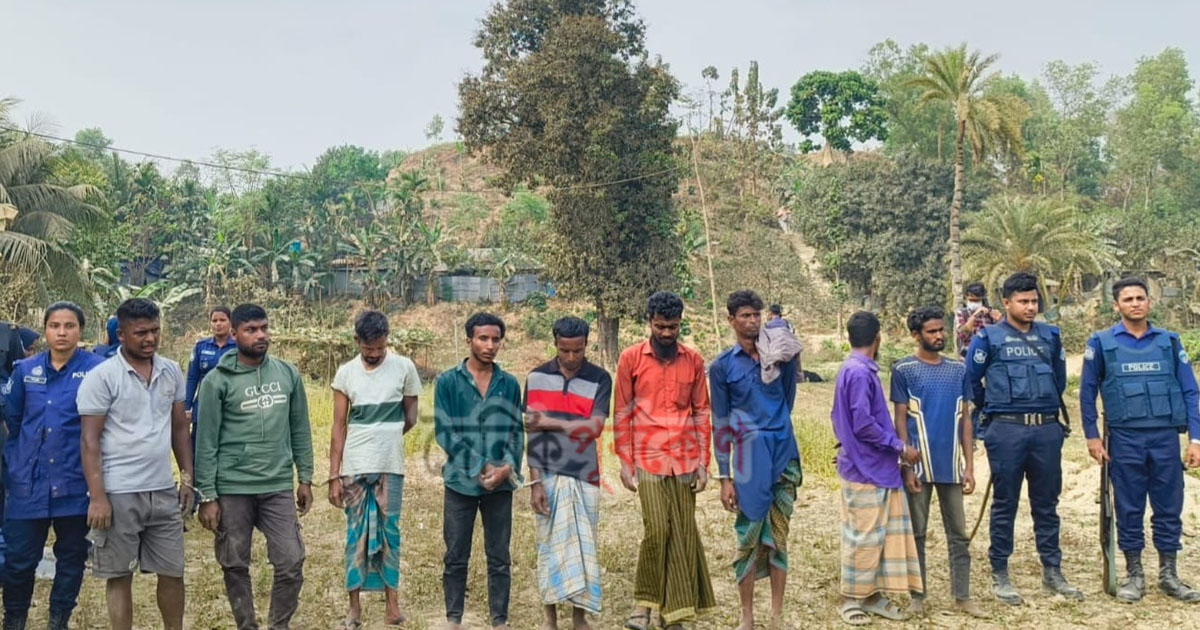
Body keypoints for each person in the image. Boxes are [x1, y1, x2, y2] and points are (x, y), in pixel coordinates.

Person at [1080, 276, 1200, 603]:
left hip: (1165, 438)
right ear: (1116, 305)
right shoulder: (1101, 343)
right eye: (1128, 299)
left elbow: (1191, 391)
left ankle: (1169, 575)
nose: (1135, 303)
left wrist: (1195, 440)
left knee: (1169, 507)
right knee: (1129, 507)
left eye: (1140, 298)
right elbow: (1087, 392)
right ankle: (1134, 575)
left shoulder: (1169, 342)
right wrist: (1092, 436)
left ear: (1149, 301)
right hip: (1124, 439)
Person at [76, 298, 193, 630]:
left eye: (155, 330)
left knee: (173, 571)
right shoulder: (102, 378)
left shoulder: (171, 370)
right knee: (119, 574)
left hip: (162, 489)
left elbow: (179, 428)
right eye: (141, 332)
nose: (150, 339)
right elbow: (89, 441)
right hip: (118, 492)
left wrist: (187, 478)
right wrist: (98, 497)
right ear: (121, 335)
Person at [195, 303, 313, 630]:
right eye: (251, 330)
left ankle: (279, 625)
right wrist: (207, 495)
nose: (260, 335)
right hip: (233, 487)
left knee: (291, 561)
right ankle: (246, 624)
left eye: (264, 328)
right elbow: (206, 441)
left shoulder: (287, 374)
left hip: (277, 485)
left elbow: (300, 428)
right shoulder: (216, 381)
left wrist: (305, 477)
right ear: (234, 334)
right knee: (234, 563)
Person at [966, 271, 1082, 604]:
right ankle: (1000, 572)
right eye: (1023, 301)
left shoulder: (1050, 337)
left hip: (1046, 429)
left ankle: (1052, 571)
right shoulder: (987, 338)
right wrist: (995, 413)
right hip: (1007, 430)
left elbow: (1059, 381)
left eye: (1034, 301)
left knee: (1047, 504)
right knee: (1005, 503)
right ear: (1006, 302)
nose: (1030, 307)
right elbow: (972, 383)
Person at [614, 291, 715, 630]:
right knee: (657, 530)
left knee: (682, 532)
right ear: (649, 322)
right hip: (648, 457)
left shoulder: (694, 360)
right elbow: (621, 412)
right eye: (660, 327)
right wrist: (625, 462)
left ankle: (673, 614)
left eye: (673, 327)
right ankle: (642, 605)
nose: (667, 333)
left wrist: (704, 463)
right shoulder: (631, 358)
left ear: (680, 323)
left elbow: (701, 412)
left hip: (685, 458)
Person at [1, 303, 105, 630]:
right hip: (28, 484)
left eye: (69, 326)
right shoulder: (24, 370)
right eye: (55, 325)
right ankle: (14, 620)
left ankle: (58, 621)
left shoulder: (97, 370)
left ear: (80, 330)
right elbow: (13, 420)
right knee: (18, 561)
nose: (62, 332)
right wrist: (18, 463)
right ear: (45, 329)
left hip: (75, 482)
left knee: (71, 559)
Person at [708, 290, 802, 630]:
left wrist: (772, 428)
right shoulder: (722, 366)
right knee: (747, 538)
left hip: (784, 454)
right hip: (748, 461)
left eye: (756, 315)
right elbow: (721, 421)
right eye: (745, 315)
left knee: (779, 537)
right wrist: (724, 477)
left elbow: (787, 399)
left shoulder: (780, 357)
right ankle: (746, 615)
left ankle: (776, 615)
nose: (752, 321)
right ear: (731, 320)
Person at [327, 310, 422, 628]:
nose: (374, 353)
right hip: (354, 468)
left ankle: (392, 606)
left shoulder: (404, 367)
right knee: (355, 535)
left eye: (380, 347)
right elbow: (338, 426)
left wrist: (386, 437)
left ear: (387, 340)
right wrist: (334, 475)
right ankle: (354, 609)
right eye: (368, 348)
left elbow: (411, 418)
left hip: (390, 467)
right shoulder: (346, 374)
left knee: (390, 533)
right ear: (357, 341)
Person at [890, 306, 986, 619]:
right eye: (931, 331)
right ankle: (918, 597)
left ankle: (962, 596)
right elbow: (900, 419)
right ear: (916, 335)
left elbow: (966, 418)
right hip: (919, 466)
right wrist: (906, 465)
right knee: (917, 533)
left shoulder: (958, 369)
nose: (939, 335)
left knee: (958, 533)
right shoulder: (903, 370)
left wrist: (969, 466)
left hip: (952, 465)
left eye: (941, 330)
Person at [831, 310, 923, 626]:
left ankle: (870, 595)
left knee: (878, 535)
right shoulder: (858, 372)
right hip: (864, 468)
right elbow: (863, 424)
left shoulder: (855, 369)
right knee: (862, 536)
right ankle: (850, 598)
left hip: (873, 466)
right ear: (878, 338)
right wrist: (901, 447)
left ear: (849, 337)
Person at [434, 312, 523, 630]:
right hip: (460, 483)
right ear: (469, 339)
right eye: (483, 338)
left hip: (500, 487)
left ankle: (499, 620)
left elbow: (516, 431)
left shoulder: (509, 384)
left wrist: (507, 467)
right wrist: (481, 466)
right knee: (456, 554)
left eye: (496, 339)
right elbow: (445, 432)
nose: (490, 345)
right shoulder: (448, 382)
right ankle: (453, 618)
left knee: (499, 556)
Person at [524, 316, 611, 630]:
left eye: (577, 350)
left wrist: (549, 422)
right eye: (564, 350)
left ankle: (579, 616)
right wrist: (535, 482)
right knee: (547, 543)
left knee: (584, 546)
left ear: (586, 344)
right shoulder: (536, 377)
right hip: (546, 472)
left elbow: (595, 428)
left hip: (584, 473)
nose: (571, 357)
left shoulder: (600, 378)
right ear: (555, 344)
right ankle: (549, 616)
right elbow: (531, 431)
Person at [184, 306, 236, 431]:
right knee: (199, 440)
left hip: (230, 405)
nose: (218, 324)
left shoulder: (239, 347)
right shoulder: (201, 347)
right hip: (203, 405)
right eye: (214, 320)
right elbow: (192, 378)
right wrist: (187, 407)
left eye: (222, 320)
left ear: (230, 322)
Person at [954, 283, 1001, 359]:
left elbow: (999, 336)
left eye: (976, 301)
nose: (973, 303)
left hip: (987, 355)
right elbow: (962, 335)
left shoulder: (990, 314)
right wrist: (975, 315)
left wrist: (1000, 320)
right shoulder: (962, 313)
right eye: (971, 300)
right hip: (968, 355)